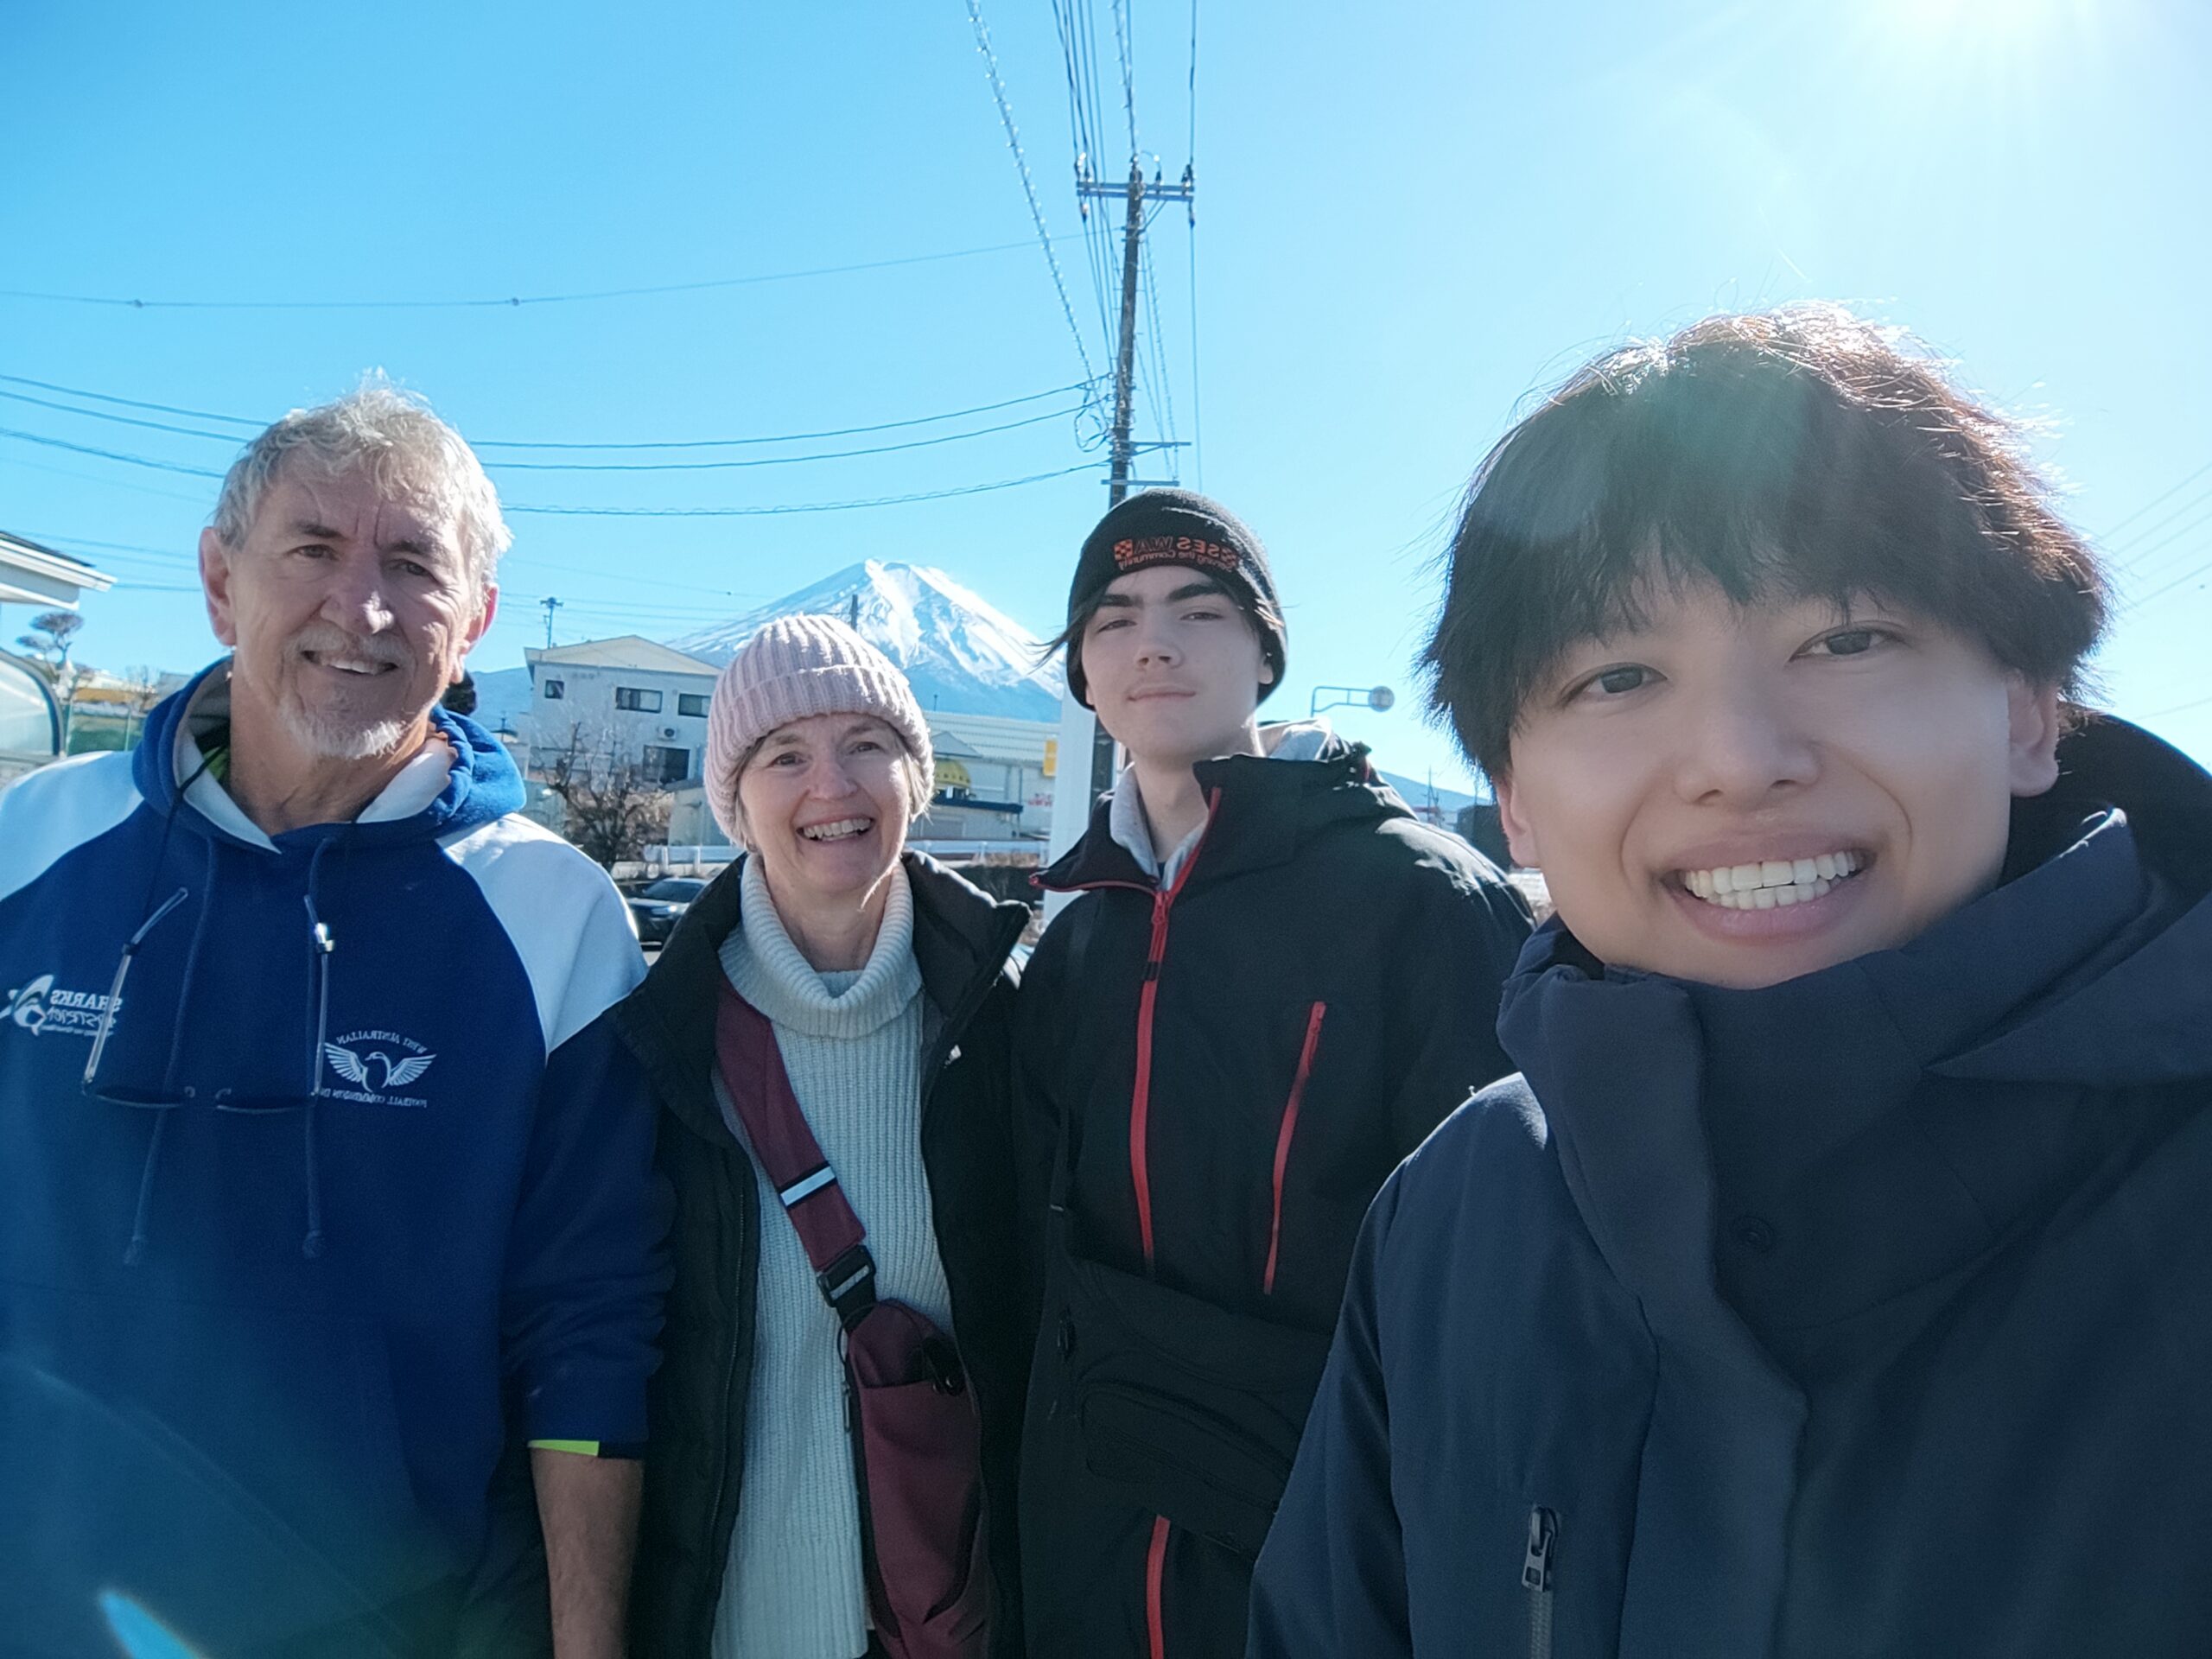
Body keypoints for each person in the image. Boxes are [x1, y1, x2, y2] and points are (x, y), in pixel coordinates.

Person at [1249, 308, 2212, 1656]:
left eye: (1848, 638)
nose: (1739, 757)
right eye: (1619, 673)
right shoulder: (1462, 1207)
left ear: (2030, 711)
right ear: (1513, 799)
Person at [0, 385, 666, 1658]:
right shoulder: (33, 843)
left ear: (472, 622)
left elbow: (589, 1329)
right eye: (312, 547)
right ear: (218, 579)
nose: (359, 608)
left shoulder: (551, 915)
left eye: (413, 564)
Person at [1016, 489, 1534, 1656]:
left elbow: (1504, 1273)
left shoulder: (1415, 898)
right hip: (1092, 1535)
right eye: (1114, 617)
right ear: (1085, 676)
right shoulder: (1077, 935)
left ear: (1266, 657)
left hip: (1322, 1540)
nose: (1153, 641)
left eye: (1200, 611)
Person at [619, 615, 1033, 1659]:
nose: (831, 787)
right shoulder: (655, 1045)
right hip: (720, 1618)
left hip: (949, 1621)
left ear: (915, 775)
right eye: (784, 755)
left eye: (866, 744)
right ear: (736, 801)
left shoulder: (1007, 1029)